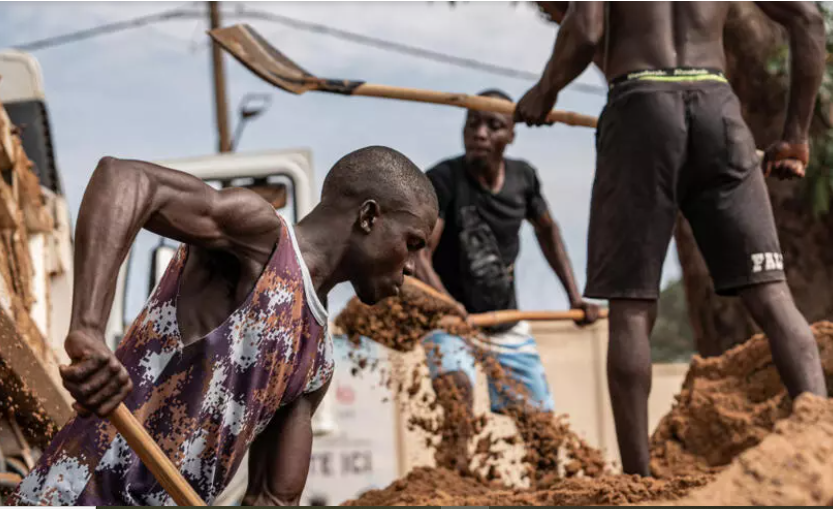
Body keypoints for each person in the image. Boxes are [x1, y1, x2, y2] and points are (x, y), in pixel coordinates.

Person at [8, 146, 438, 505]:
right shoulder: (262, 241)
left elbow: (273, 499)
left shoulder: (317, 362)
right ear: (368, 217)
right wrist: (87, 329)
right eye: (412, 243)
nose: (415, 267)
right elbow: (124, 179)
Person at [514, 1, 828, 476]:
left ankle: (638, 481)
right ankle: (822, 445)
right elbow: (808, 17)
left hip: (641, 109)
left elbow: (587, 27)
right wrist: (795, 136)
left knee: (632, 305)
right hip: (718, 109)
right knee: (772, 295)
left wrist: (544, 91)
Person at [414, 89, 601, 472]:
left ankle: (549, 493)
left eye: (493, 125)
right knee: (457, 399)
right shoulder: (444, 179)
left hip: (504, 321)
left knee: (542, 431)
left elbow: (549, 233)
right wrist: (450, 309)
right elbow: (419, 255)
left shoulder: (523, 178)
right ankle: (456, 486)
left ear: (511, 135)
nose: (479, 133)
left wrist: (575, 297)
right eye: (472, 124)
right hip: (449, 321)